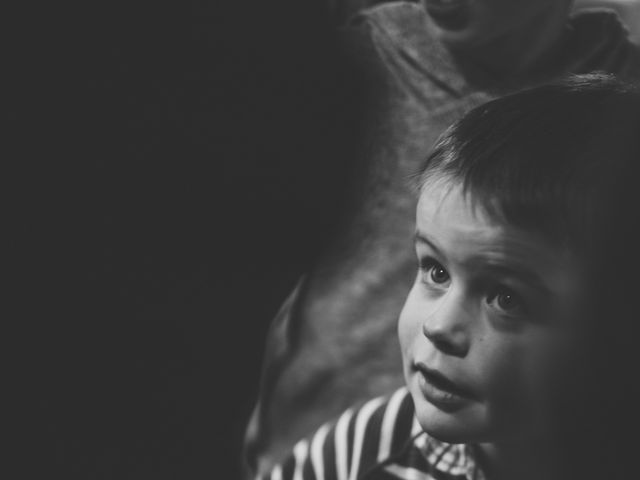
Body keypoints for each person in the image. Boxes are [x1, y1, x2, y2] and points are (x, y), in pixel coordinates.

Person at [245, 0, 640, 474]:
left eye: (507, 297)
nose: (439, 325)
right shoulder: (354, 61)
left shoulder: (623, 114)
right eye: (432, 269)